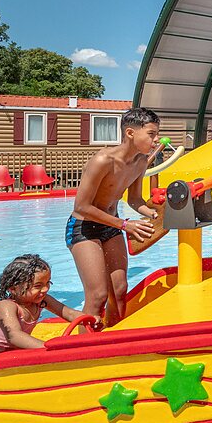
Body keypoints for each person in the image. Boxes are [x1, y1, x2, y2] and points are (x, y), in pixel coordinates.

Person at [68, 107, 162, 328]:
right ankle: (83, 351)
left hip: (112, 226)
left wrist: (155, 214)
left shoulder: (140, 162)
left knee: (119, 291)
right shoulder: (103, 160)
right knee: (98, 296)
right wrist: (125, 224)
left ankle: (112, 339)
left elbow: (135, 200)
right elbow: (81, 206)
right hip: (83, 228)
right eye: (151, 134)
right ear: (130, 133)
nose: (156, 139)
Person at [0, 254, 85, 351]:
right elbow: (14, 336)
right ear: (13, 288)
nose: (45, 289)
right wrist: (48, 347)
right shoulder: (6, 306)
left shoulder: (41, 300)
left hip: (15, 353)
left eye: (48, 283)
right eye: (38, 286)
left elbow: (68, 313)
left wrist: (88, 319)